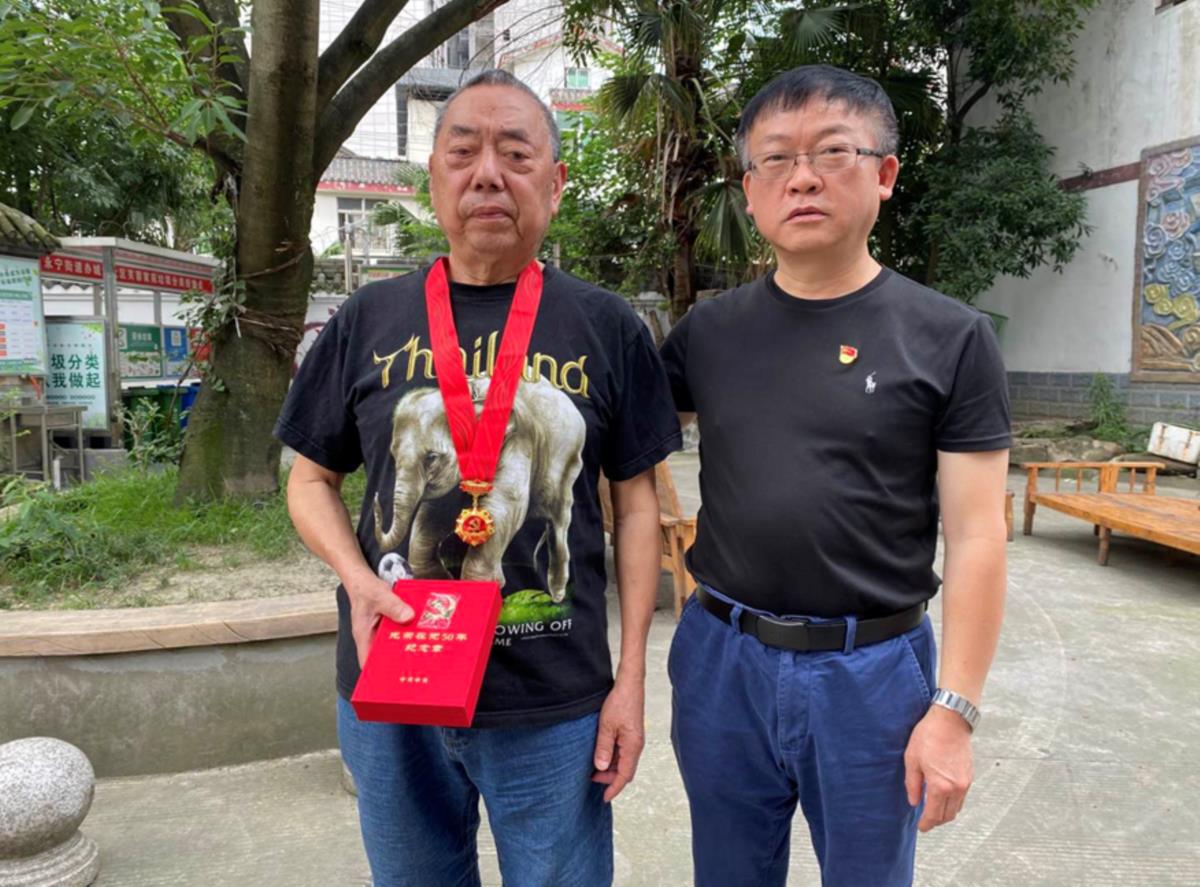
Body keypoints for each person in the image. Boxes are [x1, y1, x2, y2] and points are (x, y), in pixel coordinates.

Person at [276, 69, 681, 887]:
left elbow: (638, 507)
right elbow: (309, 479)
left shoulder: (607, 325)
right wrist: (358, 577)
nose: (487, 174)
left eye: (515, 154)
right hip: (394, 685)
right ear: (433, 179)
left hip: (553, 700)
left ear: (555, 184)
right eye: (463, 153)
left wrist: (632, 679)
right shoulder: (366, 318)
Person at [659, 64, 1011, 886]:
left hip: (873, 672)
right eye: (776, 158)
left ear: (884, 173)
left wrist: (954, 709)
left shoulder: (950, 337)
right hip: (722, 657)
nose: (803, 177)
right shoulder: (708, 334)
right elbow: (609, 438)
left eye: (831, 151)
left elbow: (978, 534)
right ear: (751, 191)